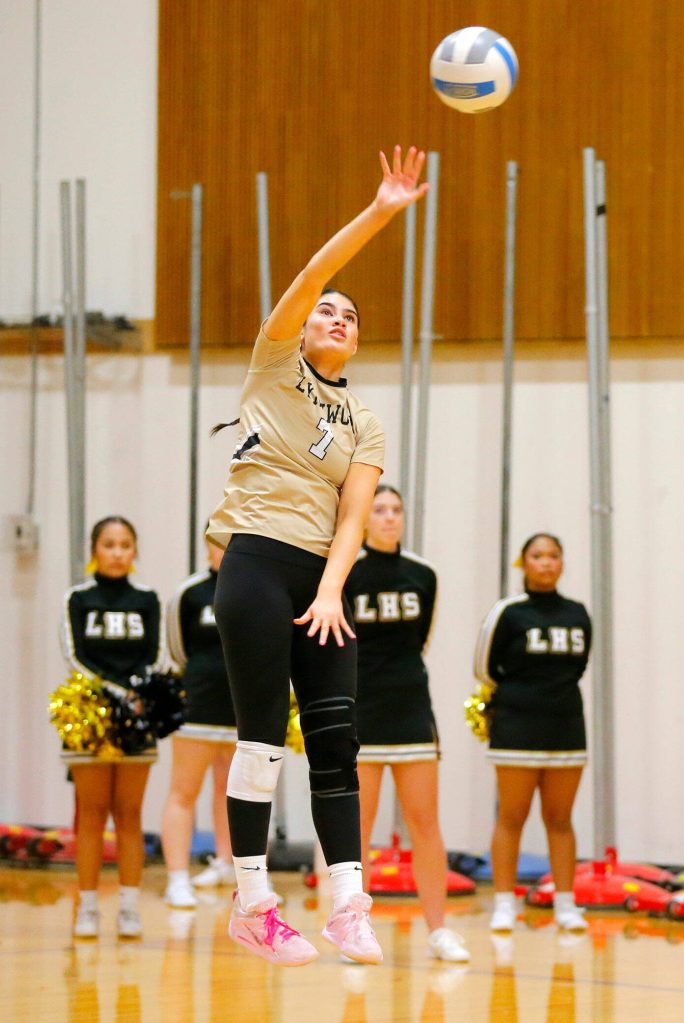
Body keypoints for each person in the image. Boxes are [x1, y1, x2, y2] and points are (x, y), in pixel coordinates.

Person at [206, 145, 429, 966]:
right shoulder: (273, 365)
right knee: (263, 738)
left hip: (320, 580)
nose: (337, 317)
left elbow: (353, 515)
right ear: (300, 325)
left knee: (337, 739)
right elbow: (313, 266)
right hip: (257, 563)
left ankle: (346, 903)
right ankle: (253, 899)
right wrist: (382, 211)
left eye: (350, 316)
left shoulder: (365, 420)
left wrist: (335, 588)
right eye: (326, 311)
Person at [344, 484, 468, 963]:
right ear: (364, 516)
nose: (390, 517)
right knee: (358, 828)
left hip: (412, 710)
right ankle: (355, 929)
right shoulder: (346, 572)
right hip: (362, 711)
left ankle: (438, 930)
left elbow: (422, 640)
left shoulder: (424, 574)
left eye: (396, 509)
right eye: (379, 510)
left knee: (425, 824)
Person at [473, 534, 592, 932]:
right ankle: (505, 903)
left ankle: (565, 903)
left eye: (553, 556)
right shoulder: (509, 612)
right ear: (523, 563)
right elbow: (484, 668)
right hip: (516, 729)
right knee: (512, 816)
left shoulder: (578, 613)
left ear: (563, 563)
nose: (546, 563)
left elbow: (578, 668)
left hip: (566, 729)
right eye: (537, 556)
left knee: (560, 819)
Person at [60, 516, 161, 940]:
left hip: (138, 713)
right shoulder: (77, 599)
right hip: (89, 712)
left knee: (130, 814)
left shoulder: (149, 600)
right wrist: (114, 692)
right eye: (109, 544)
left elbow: (154, 654)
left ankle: (129, 907)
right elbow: (75, 655)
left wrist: (134, 694)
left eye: (125, 544)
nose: (117, 552)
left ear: (135, 551)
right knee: (91, 814)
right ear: (94, 550)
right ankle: (86, 907)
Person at [160, 537, 237, 909]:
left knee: (239, 791)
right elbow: (177, 650)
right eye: (220, 541)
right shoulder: (189, 594)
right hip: (198, 709)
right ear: (207, 546)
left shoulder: (257, 590)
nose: (227, 547)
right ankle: (177, 878)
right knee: (184, 790)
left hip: (244, 710)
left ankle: (232, 866)